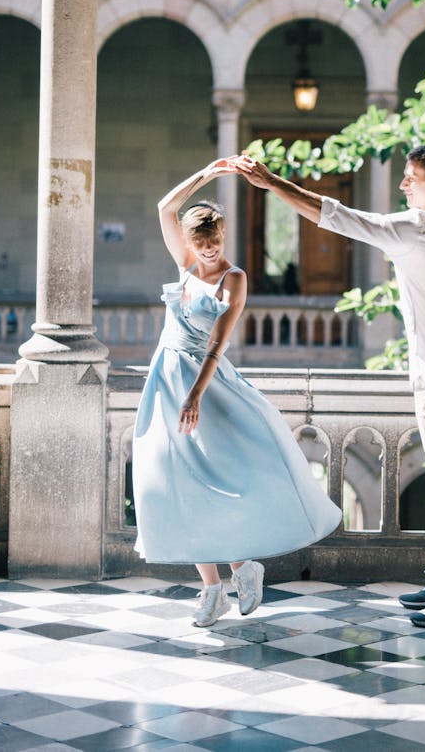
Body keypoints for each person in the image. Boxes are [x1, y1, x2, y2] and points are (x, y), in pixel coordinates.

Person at [234, 144, 425, 629]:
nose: (403, 185)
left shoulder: (416, 230)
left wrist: (271, 183)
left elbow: (336, 216)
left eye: (411, 178)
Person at [132, 159, 341, 628]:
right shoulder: (185, 265)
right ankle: (212, 588)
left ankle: (244, 566)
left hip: (206, 385)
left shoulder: (235, 279)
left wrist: (195, 396)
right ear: (190, 242)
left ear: (224, 238)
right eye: (202, 243)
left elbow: (216, 342)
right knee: (173, 485)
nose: (209, 251)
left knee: (219, 480)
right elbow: (166, 207)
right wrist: (209, 172)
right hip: (165, 380)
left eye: (216, 242)